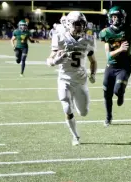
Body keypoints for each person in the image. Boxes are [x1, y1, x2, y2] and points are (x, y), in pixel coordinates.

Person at [46, 11, 97, 146]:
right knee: (67, 108)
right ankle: (75, 136)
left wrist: (93, 74)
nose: (79, 26)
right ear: (68, 24)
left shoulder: (88, 39)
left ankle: (76, 101)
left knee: (84, 112)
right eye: (76, 23)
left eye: (82, 24)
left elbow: (93, 61)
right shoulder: (60, 37)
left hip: (81, 80)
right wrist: (56, 61)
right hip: (64, 79)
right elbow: (49, 60)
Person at [99, 6, 131, 126]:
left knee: (118, 90)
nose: (114, 19)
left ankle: (121, 94)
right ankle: (108, 117)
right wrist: (120, 49)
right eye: (113, 17)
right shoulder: (106, 33)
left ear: (122, 18)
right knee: (107, 94)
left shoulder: (130, 30)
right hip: (111, 66)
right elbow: (109, 56)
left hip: (124, 67)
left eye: (117, 17)